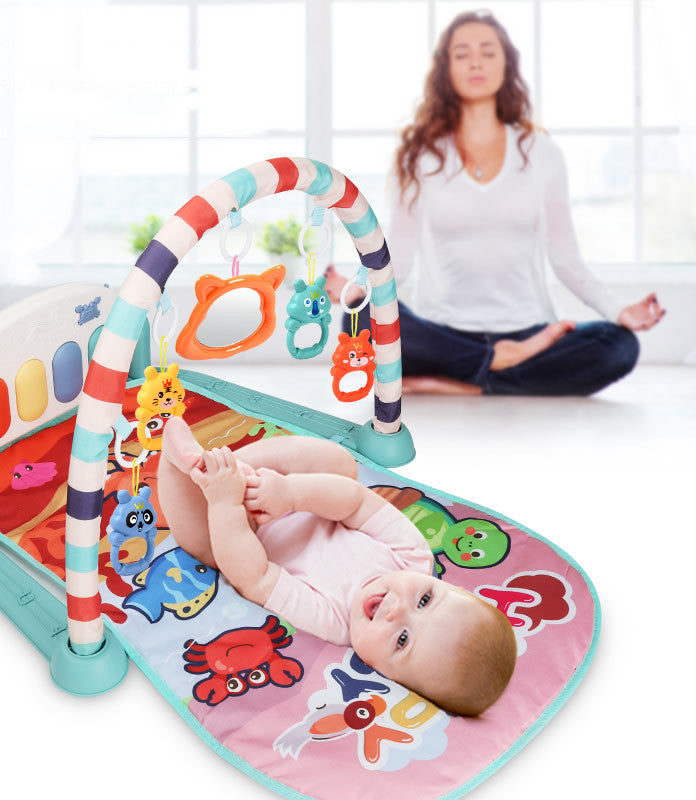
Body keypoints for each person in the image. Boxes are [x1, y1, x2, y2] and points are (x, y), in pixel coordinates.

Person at [324, 10, 665, 396]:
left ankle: (466, 380)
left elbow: (565, 259)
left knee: (618, 346)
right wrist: (356, 286)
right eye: (462, 54)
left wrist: (619, 311)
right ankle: (493, 365)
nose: (475, 62)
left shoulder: (542, 153)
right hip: (442, 334)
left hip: (529, 332)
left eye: (487, 52)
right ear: (446, 69)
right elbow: (397, 261)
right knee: (359, 318)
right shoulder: (419, 156)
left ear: (506, 64)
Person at [158, 416, 517, 716]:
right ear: (449, 586)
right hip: (296, 491)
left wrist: (226, 504)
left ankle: (182, 464)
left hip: (247, 534)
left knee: (206, 549)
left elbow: (256, 578)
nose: (395, 609)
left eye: (402, 639)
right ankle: (236, 463)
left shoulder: (335, 623)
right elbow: (356, 502)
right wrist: (289, 493)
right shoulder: (414, 557)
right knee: (342, 465)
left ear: (387, 675)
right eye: (424, 600)